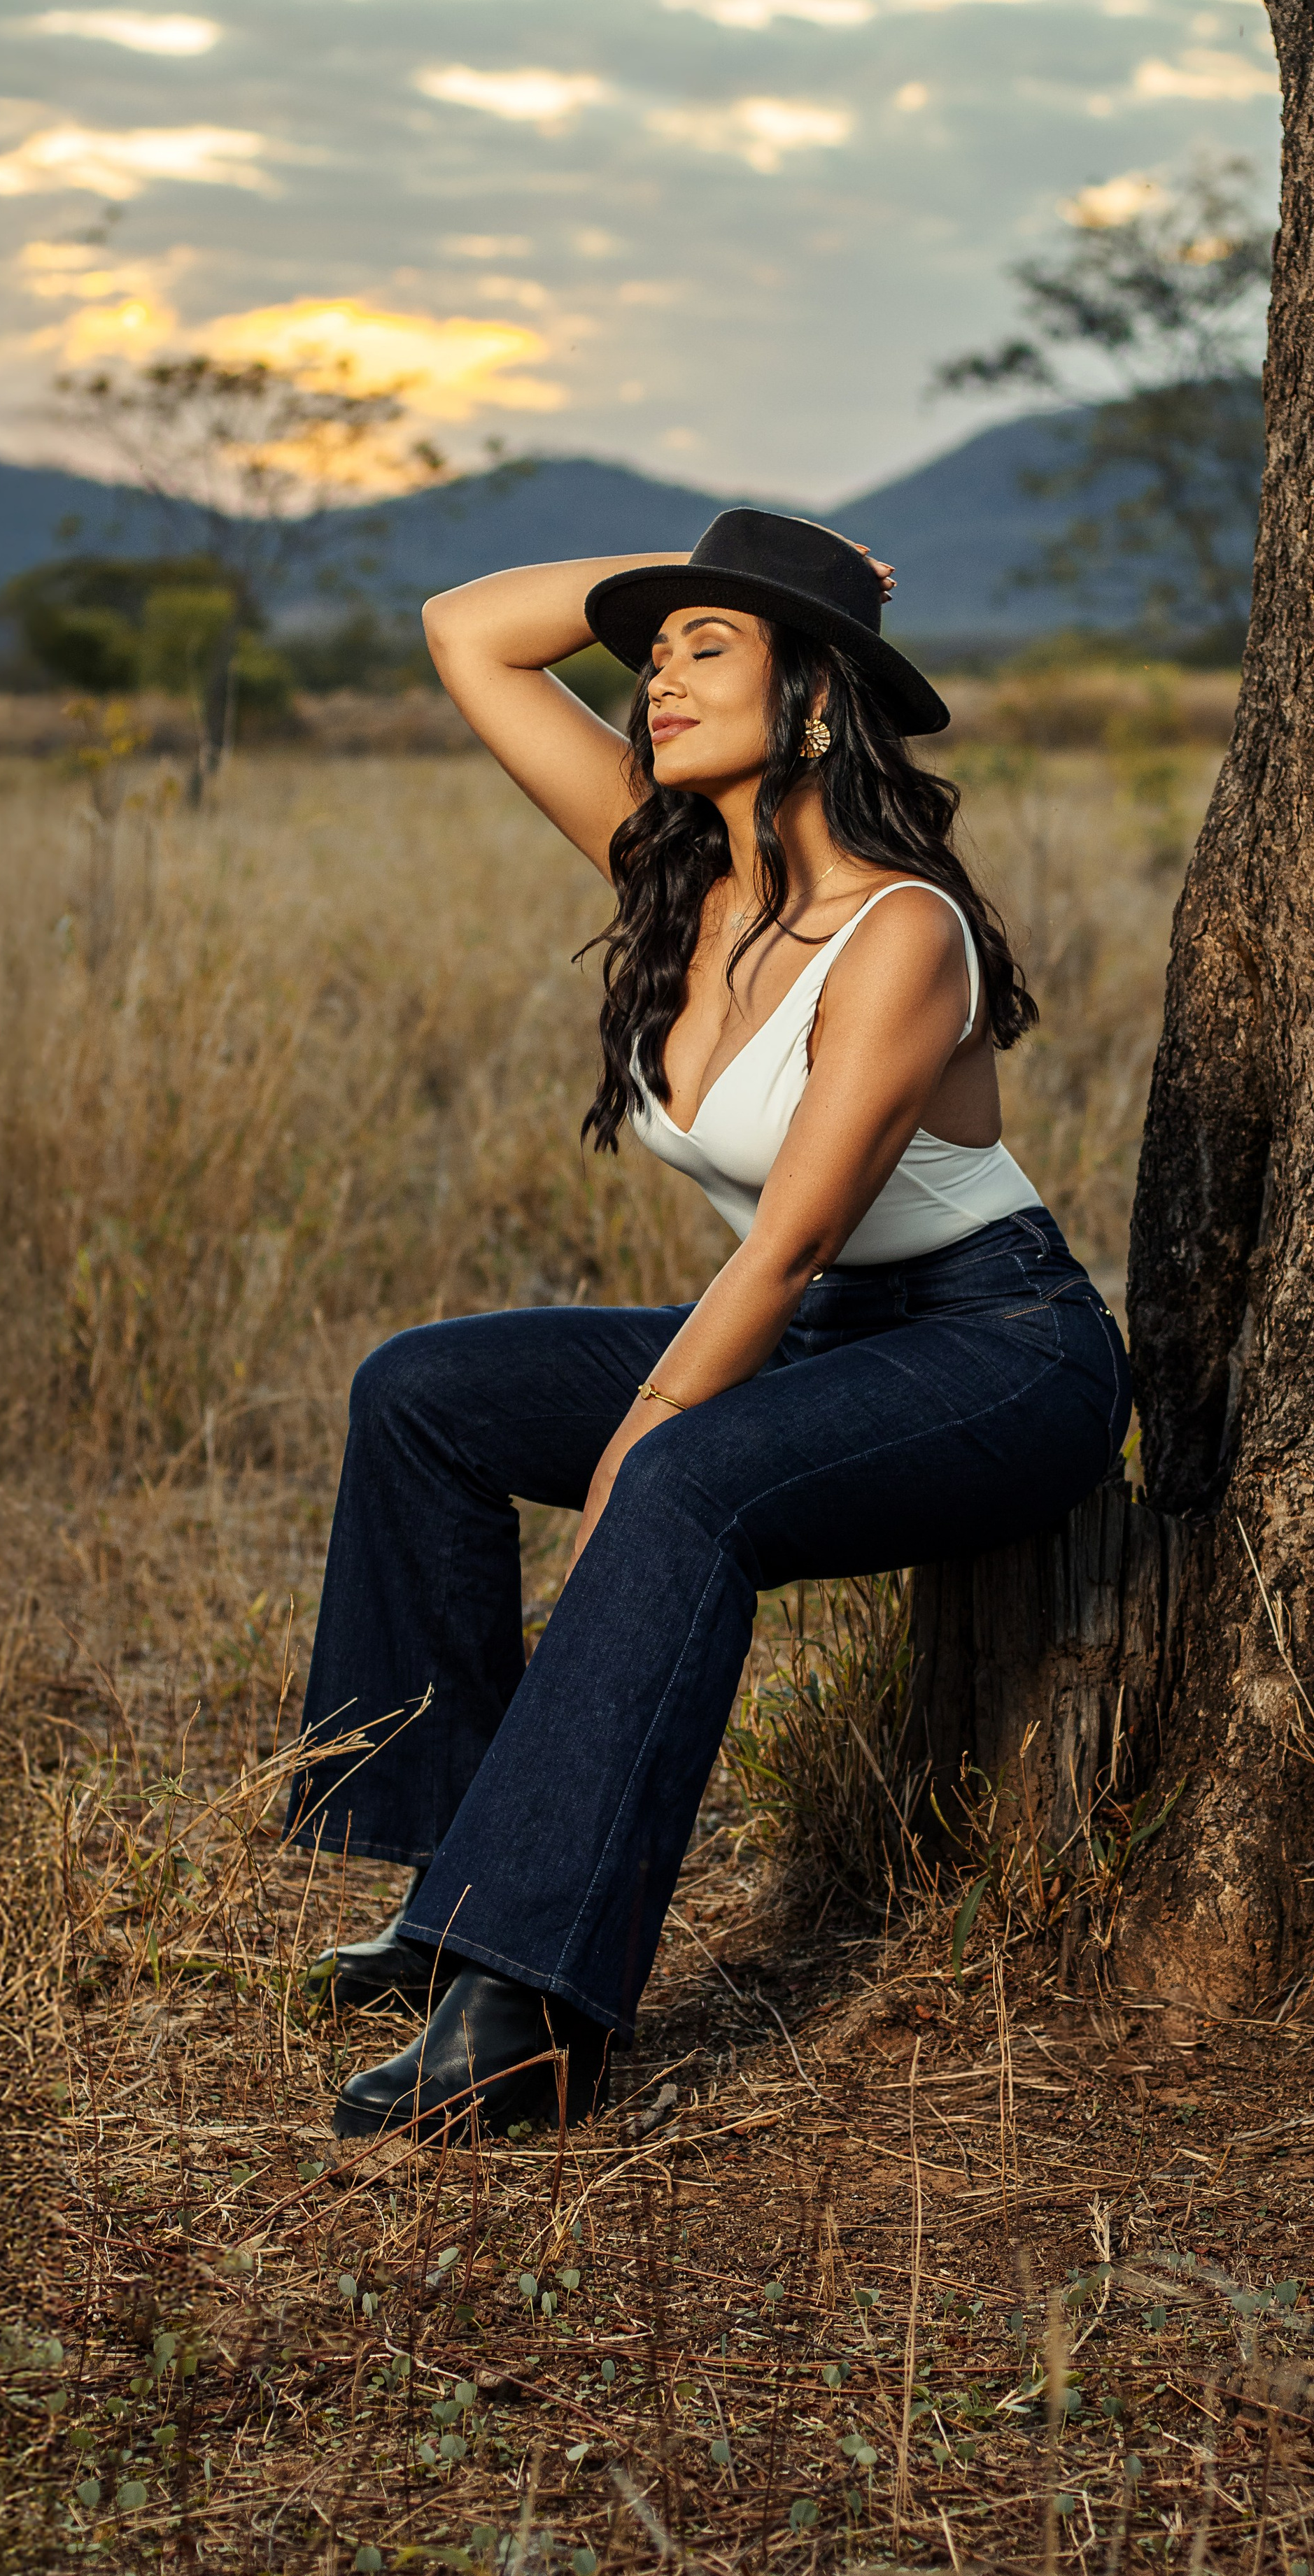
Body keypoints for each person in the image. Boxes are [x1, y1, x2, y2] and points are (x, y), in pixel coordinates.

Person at [286, 508, 1131, 2144]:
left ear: (815, 691)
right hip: (828, 1335)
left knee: (673, 1483)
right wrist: (699, 570)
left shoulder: (903, 930)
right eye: (650, 654)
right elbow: (468, 624)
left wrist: (635, 1448)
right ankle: (451, 1889)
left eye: (707, 649)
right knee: (422, 1392)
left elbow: (796, 1242)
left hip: (994, 1350)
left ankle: (525, 2011)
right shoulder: (669, 867)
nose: (657, 678)